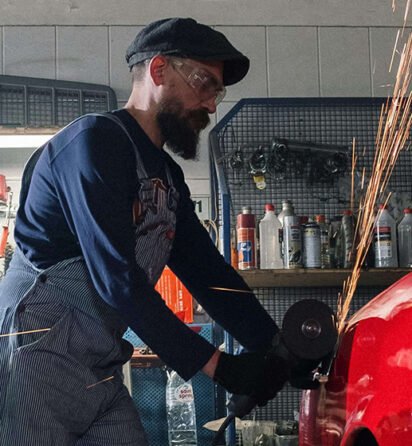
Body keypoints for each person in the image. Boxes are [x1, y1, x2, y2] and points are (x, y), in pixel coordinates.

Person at [0, 17, 311, 445]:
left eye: (218, 92)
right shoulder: (93, 143)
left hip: (98, 363)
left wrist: (279, 347)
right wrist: (219, 366)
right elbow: (117, 278)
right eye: (204, 83)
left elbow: (208, 275)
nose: (211, 105)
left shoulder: (166, 177)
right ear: (159, 69)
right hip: (37, 352)